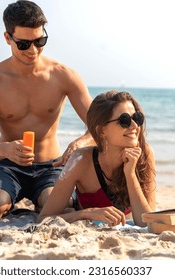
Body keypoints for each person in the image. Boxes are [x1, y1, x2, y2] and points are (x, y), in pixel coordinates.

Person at [0, 0, 93, 220]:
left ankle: (42, 201)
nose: (33, 50)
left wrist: (79, 144)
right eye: (24, 44)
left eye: (40, 41)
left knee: (61, 207)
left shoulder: (64, 75)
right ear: (8, 38)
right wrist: (6, 149)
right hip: (7, 166)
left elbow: (99, 127)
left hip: (52, 165)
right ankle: (11, 199)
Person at [38, 90, 156, 227]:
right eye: (124, 120)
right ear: (102, 130)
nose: (135, 126)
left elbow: (147, 221)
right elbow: (44, 219)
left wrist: (130, 174)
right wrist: (88, 213)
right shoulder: (81, 160)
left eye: (137, 118)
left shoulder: (144, 154)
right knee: (50, 198)